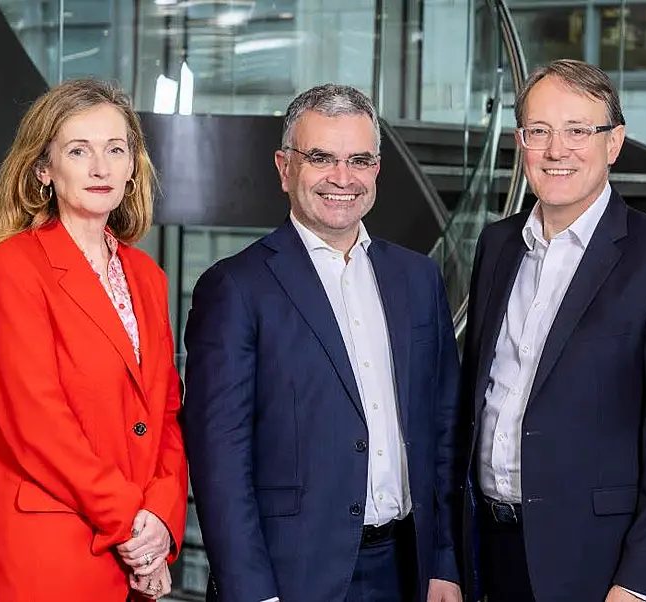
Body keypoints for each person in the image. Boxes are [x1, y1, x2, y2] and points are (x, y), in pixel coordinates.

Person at [181, 83, 462, 602]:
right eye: (321, 158)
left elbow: (444, 428)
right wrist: (251, 591)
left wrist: (446, 562)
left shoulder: (418, 278)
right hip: (291, 577)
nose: (342, 178)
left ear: (377, 169)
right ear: (285, 167)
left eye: (359, 159)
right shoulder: (235, 288)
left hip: (409, 568)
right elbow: (220, 461)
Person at [456, 58, 646, 602]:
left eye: (578, 130)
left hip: (600, 567)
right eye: (540, 132)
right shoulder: (497, 245)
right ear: (519, 141)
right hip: (490, 552)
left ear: (614, 142)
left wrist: (641, 582)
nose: (557, 150)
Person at [0, 79, 188, 601]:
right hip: (52, 556)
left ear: (133, 166)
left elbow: (165, 415)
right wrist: (134, 525)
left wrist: (162, 518)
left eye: (116, 149)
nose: (100, 167)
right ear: (44, 169)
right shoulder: (10, 268)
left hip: (136, 554)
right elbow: (38, 427)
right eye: (78, 150)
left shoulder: (146, 276)